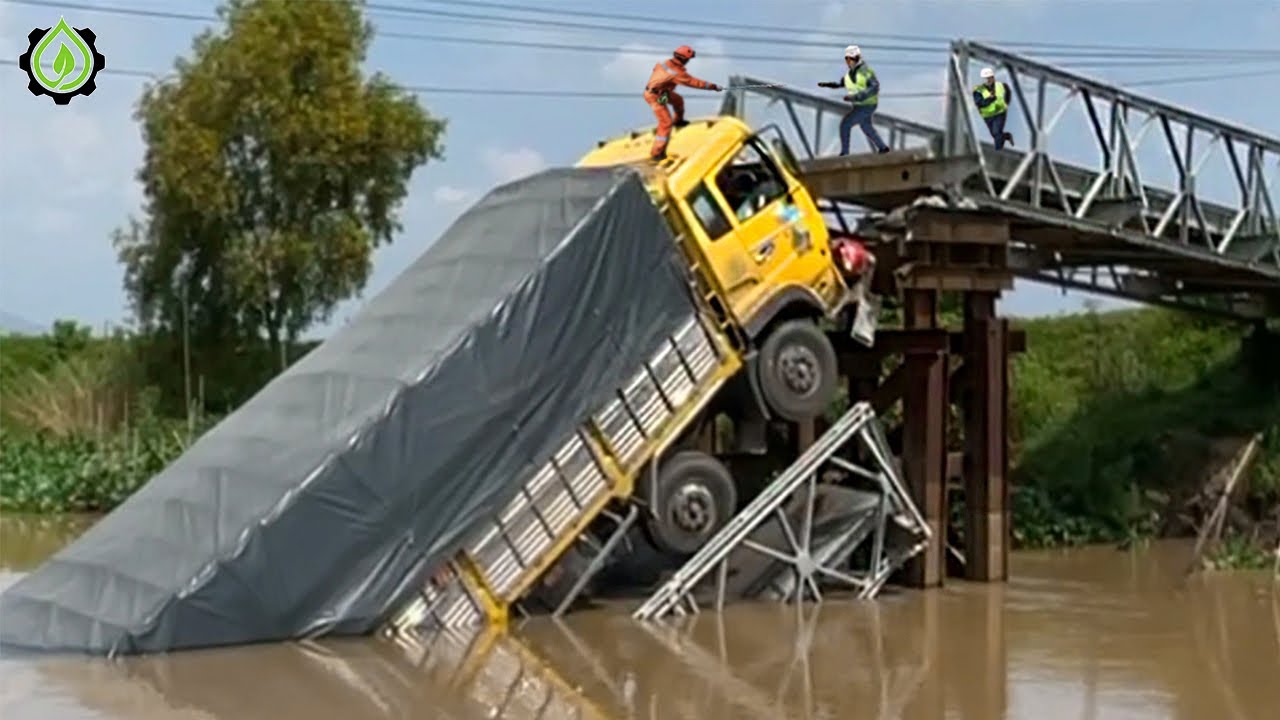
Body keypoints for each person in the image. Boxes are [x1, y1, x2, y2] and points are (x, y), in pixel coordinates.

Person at [644, 45, 722, 162]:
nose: (688, 62)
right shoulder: (676, 73)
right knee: (665, 123)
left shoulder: (666, 64)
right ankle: (657, 153)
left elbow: (656, 70)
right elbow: (693, 82)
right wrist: (713, 87)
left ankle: (678, 121)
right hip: (654, 96)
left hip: (663, 93)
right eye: (688, 59)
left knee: (678, 100)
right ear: (684, 59)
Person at [817, 45, 889, 155]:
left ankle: (845, 152)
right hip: (859, 105)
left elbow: (874, 87)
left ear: (856, 58)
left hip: (867, 105)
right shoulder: (849, 74)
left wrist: (857, 96)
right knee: (866, 127)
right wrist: (827, 84)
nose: (847, 62)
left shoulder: (865, 71)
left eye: (849, 59)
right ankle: (883, 148)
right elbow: (840, 84)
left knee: (846, 124)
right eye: (846, 59)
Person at [973, 67, 1015, 149]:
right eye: (987, 78)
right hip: (988, 115)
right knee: (994, 134)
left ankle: (999, 150)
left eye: (990, 77)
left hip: (1000, 113)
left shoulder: (1000, 85)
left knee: (996, 132)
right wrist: (990, 98)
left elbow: (1008, 92)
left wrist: (1006, 103)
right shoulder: (978, 90)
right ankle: (1006, 136)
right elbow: (979, 103)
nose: (989, 80)